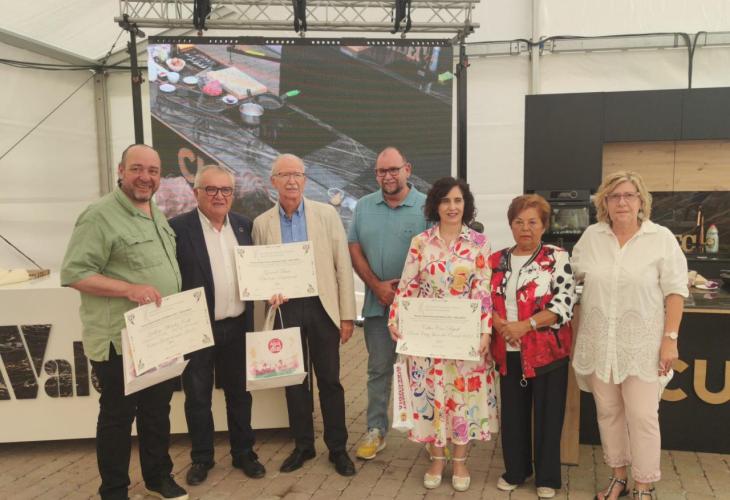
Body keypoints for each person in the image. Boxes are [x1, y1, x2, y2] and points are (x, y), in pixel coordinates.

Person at [60, 144, 187, 500]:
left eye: (153, 171)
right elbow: (74, 273)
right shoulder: (99, 216)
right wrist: (129, 289)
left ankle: (158, 478)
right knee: (118, 417)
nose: (145, 177)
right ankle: (114, 490)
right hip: (120, 339)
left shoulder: (154, 212)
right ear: (120, 171)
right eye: (137, 169)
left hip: (158, 335)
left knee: (157, 411)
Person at [571, 171, 687, 500]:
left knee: (642, 416)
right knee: (608, 412)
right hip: (600, 343)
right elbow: (571, 277)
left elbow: (676, 291)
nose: (622, 202)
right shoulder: (592, 237)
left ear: (641, 201)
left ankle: (644, 485)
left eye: (629, 195)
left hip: (641, 346)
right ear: (604, 202)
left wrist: (670, 338)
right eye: (614, 196)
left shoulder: (660, 238)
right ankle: (618, 477)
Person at [388, 177, 498, 492]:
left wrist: (485, 331)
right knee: (432, 396)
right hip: (428, 336)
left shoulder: (479, 243)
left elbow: (483, 289)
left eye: (458, 200)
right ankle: (436, 458)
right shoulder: (421, 242)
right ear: (436, 205)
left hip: (464, 337)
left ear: (466, 205)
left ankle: (460, 461)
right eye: (445, 200)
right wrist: (395, 319)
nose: (452, 207)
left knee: (462, 398)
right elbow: (408, 284)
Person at [252, 154, 357, 477]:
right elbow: (259, 272)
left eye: (297, 174)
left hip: (322, 307)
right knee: (295, 381)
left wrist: (347, 316)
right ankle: (303, 445)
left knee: (330, 381)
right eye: (284, 175)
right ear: (273, 181)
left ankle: (337, 448)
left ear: (305, 180)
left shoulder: (326, 214)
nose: (291, 181)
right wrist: (267, 294)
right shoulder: (262, 224)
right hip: (285, 309)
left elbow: (342, 265)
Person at [168, 165, 266, 486]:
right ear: (196, 192)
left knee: (240, 394)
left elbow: (257, 273)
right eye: (211, 189)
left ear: (233, 195)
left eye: (226, 190)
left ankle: (244, 453)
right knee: (198, 397)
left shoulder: (244, 226)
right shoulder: (177, 229)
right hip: (197, 328)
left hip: (237, 326)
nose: (219, 196)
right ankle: (202, 457)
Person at [489, 194, 576, 499]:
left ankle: (547, 477)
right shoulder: (495, 260)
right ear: (510, 225)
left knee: (549, 418)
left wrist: (525, 326)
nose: (525, 228)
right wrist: (502, 326)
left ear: (544, 225)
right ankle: (516, 471)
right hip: (508, 351)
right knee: (513, 417)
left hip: (547, 351)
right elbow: (484, 301)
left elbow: (564, 304)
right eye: (519, 222)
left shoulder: (556, 257)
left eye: (532, 222)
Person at [347, 147, 429, 460]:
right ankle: (376, 430)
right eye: (382, 171)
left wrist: (407, 295)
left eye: (394, 169)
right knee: (379, 370)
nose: (388, 176)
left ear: (407, 169)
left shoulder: (427, 206)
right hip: (377, 305)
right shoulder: (364, 206)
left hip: (419, 309)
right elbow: (354, 248)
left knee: (424, 371)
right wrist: (377, 287)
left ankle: (431, 435)